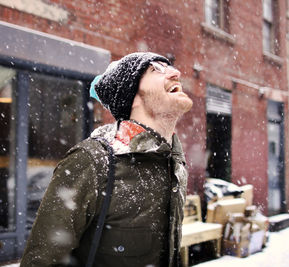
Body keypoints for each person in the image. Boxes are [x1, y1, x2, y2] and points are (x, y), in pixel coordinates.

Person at [21, 52, 193, 267]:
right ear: (133, 97)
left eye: (169, 67)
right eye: (155, 69)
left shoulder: (172, 160)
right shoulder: (92, 161)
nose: (175, 72)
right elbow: (42, 261)